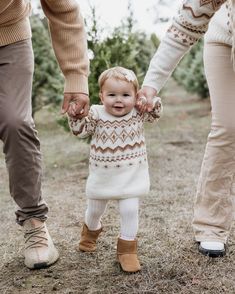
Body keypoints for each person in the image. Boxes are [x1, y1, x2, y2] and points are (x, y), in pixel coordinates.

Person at [138, 0, 235, 257]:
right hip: (225, 38)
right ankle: (211, 225)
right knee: (228, 127)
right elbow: (184, 26)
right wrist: (151, 84)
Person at [0, 0, 89, 269]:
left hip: (9, 36)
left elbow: (64, 8)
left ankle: (34, 224)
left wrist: (76, 76)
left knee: (16, 122)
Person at [68, 66, 162, 273]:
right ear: (101, 96)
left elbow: (155, 115)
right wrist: (75, 116)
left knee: (129, 210)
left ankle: (127, 250)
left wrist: (151, 102)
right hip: (103, 176)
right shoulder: (96, 113)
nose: (118, 100)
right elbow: (80, 131)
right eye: (112, 95)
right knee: (95, 210)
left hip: (131, 176)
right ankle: (91, 231)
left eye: (126, 95)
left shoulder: (138, 113)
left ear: (135, 96)